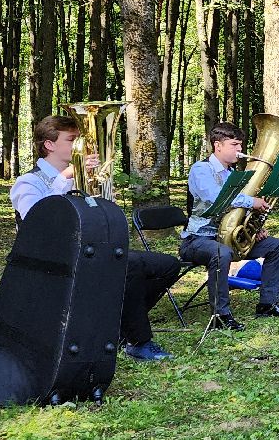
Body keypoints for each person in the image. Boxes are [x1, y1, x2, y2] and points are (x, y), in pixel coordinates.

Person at [10, 114, 181, 361]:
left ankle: (118, 327)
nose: (79, 146)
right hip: (53, 258)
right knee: (128, 265)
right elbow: (39, 220)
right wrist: (66, 178)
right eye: (71, 140)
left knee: (167, 265)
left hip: (87, 250)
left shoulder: (79, 178)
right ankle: (138, 341)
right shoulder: (28, 182)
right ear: (49, 144)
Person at [181, 122, 279, 332]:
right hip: (197, 240)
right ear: (218, 145)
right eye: (234, 145)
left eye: (240, 145)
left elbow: (237, 213)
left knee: (276, 246)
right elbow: (215, 198)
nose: (240, 150)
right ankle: (221, 315)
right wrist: (252, 202)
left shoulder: (233, 174)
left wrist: (253, 228)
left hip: (229, 239)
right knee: (221, 253)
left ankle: (268, 304)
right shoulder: (201, 169)